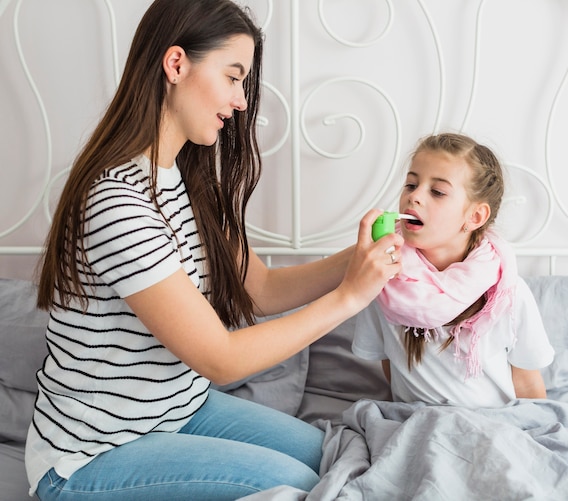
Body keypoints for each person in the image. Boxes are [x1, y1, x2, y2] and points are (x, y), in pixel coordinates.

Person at [25, 1, 404, 499]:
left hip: (178, 412)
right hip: (90, 458)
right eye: (232, 77)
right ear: (176, 64)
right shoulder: (116, 202)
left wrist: (360, 262)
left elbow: (262, 289)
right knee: (297, 486)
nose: (242, 100)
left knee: (334, 457)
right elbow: (220, 359)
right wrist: (349, 299)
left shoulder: (183, 180)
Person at [352, 132, 554, 408]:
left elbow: (528, 384)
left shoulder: (507, 293)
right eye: (411, 184)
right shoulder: (380, 281)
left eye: (437, 191)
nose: (415, 197)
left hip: (494, 427)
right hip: (416, 424)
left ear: (475, 217)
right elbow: (390, 366)